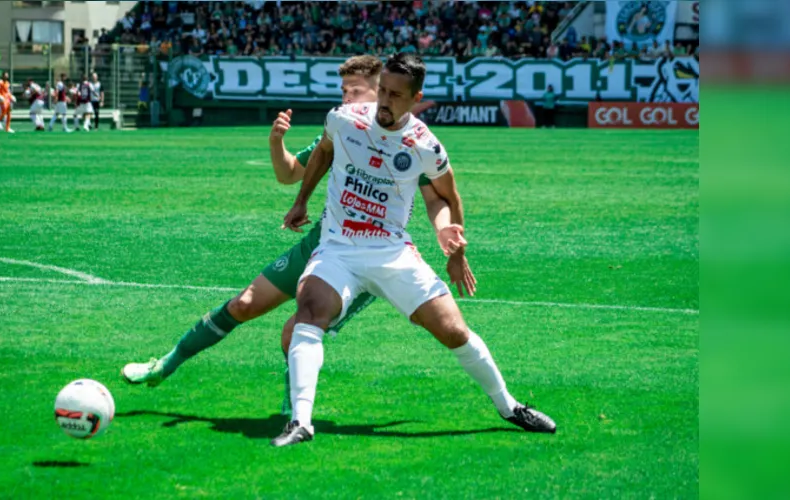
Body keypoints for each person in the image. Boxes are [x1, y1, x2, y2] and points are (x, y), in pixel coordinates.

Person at [121, 56, 471, 418]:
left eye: (355, 90)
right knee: (244, 304)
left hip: (367, 260)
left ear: (380, 91)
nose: (347, 96)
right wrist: (277, 142)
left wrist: (452, 242)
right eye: (343, 90)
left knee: (293, 333)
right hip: (320, 243)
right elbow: (289, 173)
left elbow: (441, 198)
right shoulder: (343, 127)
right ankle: (165, 363)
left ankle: (294, 406)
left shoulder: (411, 144)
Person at [272, 53, 556, 447]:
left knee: (454, 331)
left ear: (415, 98)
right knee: (310, 310)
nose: (384, 102)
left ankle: (509, 407)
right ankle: (301, 422)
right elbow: (324, 151)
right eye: (382, 91)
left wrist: (453, 249)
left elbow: (446, 197)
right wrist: (302, 199)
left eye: (395, 96)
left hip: (392, 252)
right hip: (339, 248)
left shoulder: (425, 145)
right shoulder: (344, 118)